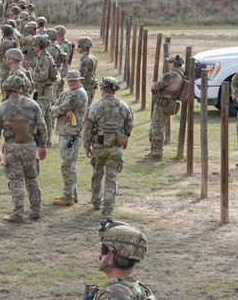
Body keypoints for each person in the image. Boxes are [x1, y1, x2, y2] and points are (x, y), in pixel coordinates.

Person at [0, 75, 48, 223]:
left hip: (11, 148)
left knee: (15, 180)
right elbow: (42, 127)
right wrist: (43, 145)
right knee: (32, 178)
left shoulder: (1, 108)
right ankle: (36, 210)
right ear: (22, 88)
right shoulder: (33, 105)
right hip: (30, 146)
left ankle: (18, 212)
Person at [84, 77, 134, 217]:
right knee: (111, 177)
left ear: (102, 89)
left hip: (99, 147)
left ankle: (95, 201)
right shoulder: (124, 106)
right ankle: (108, 207)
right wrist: (123, 137)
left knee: (97, 174)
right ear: (115, 90)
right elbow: (129, 126)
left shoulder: (95, 106)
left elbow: (88, 128)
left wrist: (87, 146)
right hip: (116, 147)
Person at [50, 69, 89, 206]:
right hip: (66, 131)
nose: (71, 83)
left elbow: (61, 108)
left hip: (71, 133)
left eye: (74, 80)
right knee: (70, 163)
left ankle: (68, 196)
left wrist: (56, 110)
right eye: (70, 81)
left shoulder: (78, 94)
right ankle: (72, 194)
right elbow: (57, 106)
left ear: (80, 80)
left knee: (67, 165)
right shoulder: (68, 92)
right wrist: (57, 109)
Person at [146, 54, 186, 160]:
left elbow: (157, 85)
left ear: (175, 63)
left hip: (162, 103)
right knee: (158, 126)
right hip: (169, 103)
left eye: (170, 62)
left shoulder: (171, 75)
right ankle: (154, 151)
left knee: (157, 127)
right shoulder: (182, 74)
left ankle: (157, 153)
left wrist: (153, 85)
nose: (168, 64)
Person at [30, 35, 58, 146]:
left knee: (40, 114)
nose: (34, 46)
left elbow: (43, 76)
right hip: (43, 89)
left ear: (40, 45)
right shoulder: (42, 57)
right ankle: (46, 139)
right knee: (46, 116)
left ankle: (41, 139)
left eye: (35, 44)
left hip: (45, 89)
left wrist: (33, 74)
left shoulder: (45, 58)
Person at [78, 37, 99, 104]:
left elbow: (82, 75)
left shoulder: (86, 60)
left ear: (84, 47)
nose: (77, 48)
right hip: (90, 85)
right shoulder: (92, 57)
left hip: (87, 87)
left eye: (79, 46)